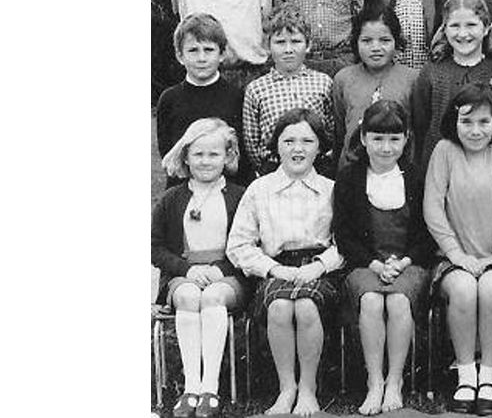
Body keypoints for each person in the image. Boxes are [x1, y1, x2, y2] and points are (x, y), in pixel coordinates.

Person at [226, 108, 344, 416]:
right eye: (288, 140)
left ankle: (308, 388)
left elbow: (346, 243)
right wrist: (273, 268)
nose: (298, 148)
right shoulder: (259, 189)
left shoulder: (332, 190)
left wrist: (317, 266)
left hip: (319, 269)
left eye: (307, 140)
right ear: (276, 145)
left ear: (320, 147)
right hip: (274, 267)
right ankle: (286, 388)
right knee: (280, 305)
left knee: (305, 305)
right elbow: (238, 244)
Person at [423, 83, 492, 415]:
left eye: (483, 122)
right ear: (454, 122)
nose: (475, 130)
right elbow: (433, 208)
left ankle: (490, 379)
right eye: (467, 122)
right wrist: (457, 256)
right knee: (466, 291)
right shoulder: (444, 151)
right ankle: (466, 376)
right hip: (453, 259)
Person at [332, 100, 430, 415]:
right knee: (373, 300)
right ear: (363, 138)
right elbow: (344, 234)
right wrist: (374, 264)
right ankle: (374, 382)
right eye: (377, 138)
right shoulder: (349, 177)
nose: (386, 148)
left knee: (398, 300)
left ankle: (395, 380)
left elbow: (427, 234)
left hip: (408, 263)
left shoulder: (416, 176)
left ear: (406, 139)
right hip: (365, 263)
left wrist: (402, 263)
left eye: (394, 139)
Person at [152, 119, 246, 418]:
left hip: (227, 276)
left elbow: (250, 243)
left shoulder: (240, 196)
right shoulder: (172, 198)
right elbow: (154, 247)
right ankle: (191, 387)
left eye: (214, 154)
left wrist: (221, 268)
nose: (206, 161)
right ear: (186, 156)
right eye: (199, 154)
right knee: (191, 297)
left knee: (213, 297)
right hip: (183, 275)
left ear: (228, 157)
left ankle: (210, 388)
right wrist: (186, 269)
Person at [410, 0, 492, 174]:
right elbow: (420, 123)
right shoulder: (432, 71)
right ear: (444, 29)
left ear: (486, 27)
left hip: (487, 168)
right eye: (455, 26)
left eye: (471, 25)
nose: (463, 34)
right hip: (439, 167)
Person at [242, 5, 335, 176]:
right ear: (268, 46)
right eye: (280, 42)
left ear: (308, 45)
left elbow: (330, 130)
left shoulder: (323, 83)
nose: (288, 49)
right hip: (273, 169)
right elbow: (252, 141)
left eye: (296, 41)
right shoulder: (256, 89)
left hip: (316, 168)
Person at [156, 14, 246, 187]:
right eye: (193, 50)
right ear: (180, 55)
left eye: (209, 50)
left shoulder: (236, 97)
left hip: (227, 190)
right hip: (182, 190)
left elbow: (240, 153)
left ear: (222, 54)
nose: (201, 58)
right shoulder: (169, 99)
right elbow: (168, 151)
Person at [331, 6, 419, 170]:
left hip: (398, 170)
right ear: (356, 42)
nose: (376, 47)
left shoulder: (412, 79)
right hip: (352, 170)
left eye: (384, 40)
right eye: (367, 41)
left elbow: (418, 129)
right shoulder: (343, 79)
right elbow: (340, 130)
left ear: (396, 41)